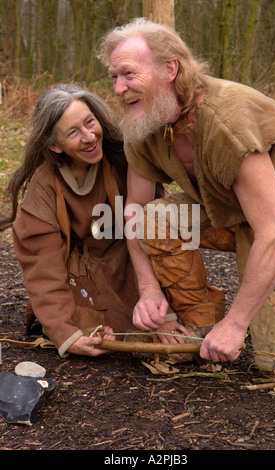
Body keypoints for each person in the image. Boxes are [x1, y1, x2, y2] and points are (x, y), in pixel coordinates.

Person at [98, 18, 275, 372]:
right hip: (229, 213)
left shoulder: (227, 122)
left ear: (170, 68)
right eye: (113, 77)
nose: (118, 88)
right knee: (153, 219)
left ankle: (230, 329)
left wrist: (237, 325)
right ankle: (201, 323)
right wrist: (148, 289)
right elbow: (134, 213)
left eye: (128, 74)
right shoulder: (143, 124)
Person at [0, 83, 188, 358]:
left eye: (90, 123)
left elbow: (153, 234)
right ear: (54, 144)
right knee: (107, 340)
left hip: (132, 259)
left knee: (178, 342)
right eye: (73, 132)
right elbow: (44, 269)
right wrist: (66, 333)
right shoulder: (43, 190)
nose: (89, 137)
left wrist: (166, 312)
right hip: (79, 276)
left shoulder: (124, 160)